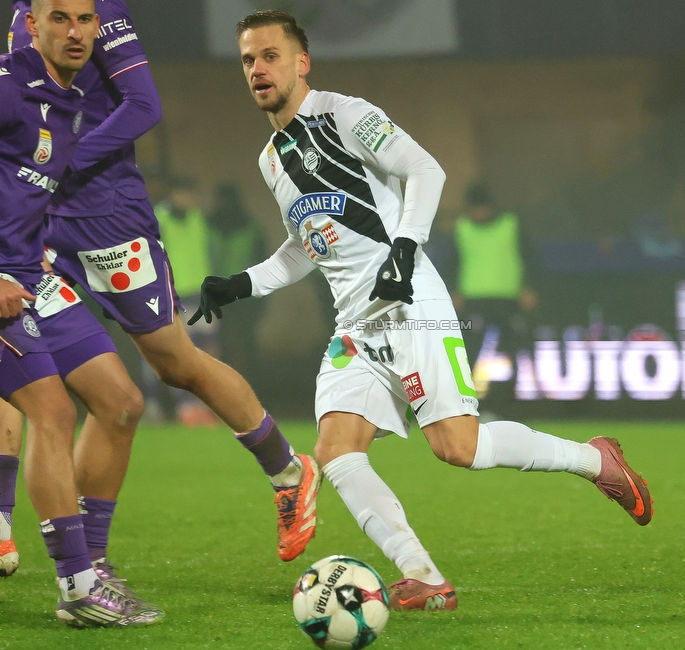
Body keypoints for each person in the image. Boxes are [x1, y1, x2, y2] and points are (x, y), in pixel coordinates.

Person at [193, 10, 654, 612]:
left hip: (412, 305)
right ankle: (423, 574)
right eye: (248, 60)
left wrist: (405, 249)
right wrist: (240, 284)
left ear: (301, 62)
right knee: (335, 449)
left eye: (270, 56)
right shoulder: (272, 160)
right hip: (354, 327)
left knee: (457, 447)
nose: (257, 69)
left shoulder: (345, 114)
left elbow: (425, 170)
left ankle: (597, 462)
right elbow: (307, 247)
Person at [0, 0, 164, 626]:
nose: (76, 31)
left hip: (28, 275)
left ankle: (78, 557)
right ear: (33, 25)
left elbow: (21, 196)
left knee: (120, 400)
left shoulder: (74, 99)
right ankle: (77, 588)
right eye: (59, 18)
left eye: (85, 20)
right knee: (52, 410)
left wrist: (39, 258)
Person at [449, 182, 537, 404]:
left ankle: (513, 399)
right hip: (473, 301)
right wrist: (453, 291)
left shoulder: (511, 224)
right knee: (468, 353)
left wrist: (530, 287)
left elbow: (531, 257)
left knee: (513, 350)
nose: (479, 213)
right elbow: (451, 262)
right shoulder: (461, 228)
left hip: (508, 299)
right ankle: (463, 400)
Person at [148, 176, 219, 425]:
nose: (190, 200)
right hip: (174, 294)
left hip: (201, 295)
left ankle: (207, 405)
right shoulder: (159, 219)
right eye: (186, 194)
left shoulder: (198, 218)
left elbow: (208, 252)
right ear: (174, 195)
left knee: (210, 350)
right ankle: (183, 407)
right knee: (182, 352)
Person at [207, 181, 267, 374]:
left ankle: (250, 381)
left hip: (243, 294)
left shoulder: (251, 228)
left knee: (244, 340)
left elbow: (263, 263)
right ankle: (226, 382)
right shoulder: (206, 226)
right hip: (219, 293)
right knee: (220, 340)